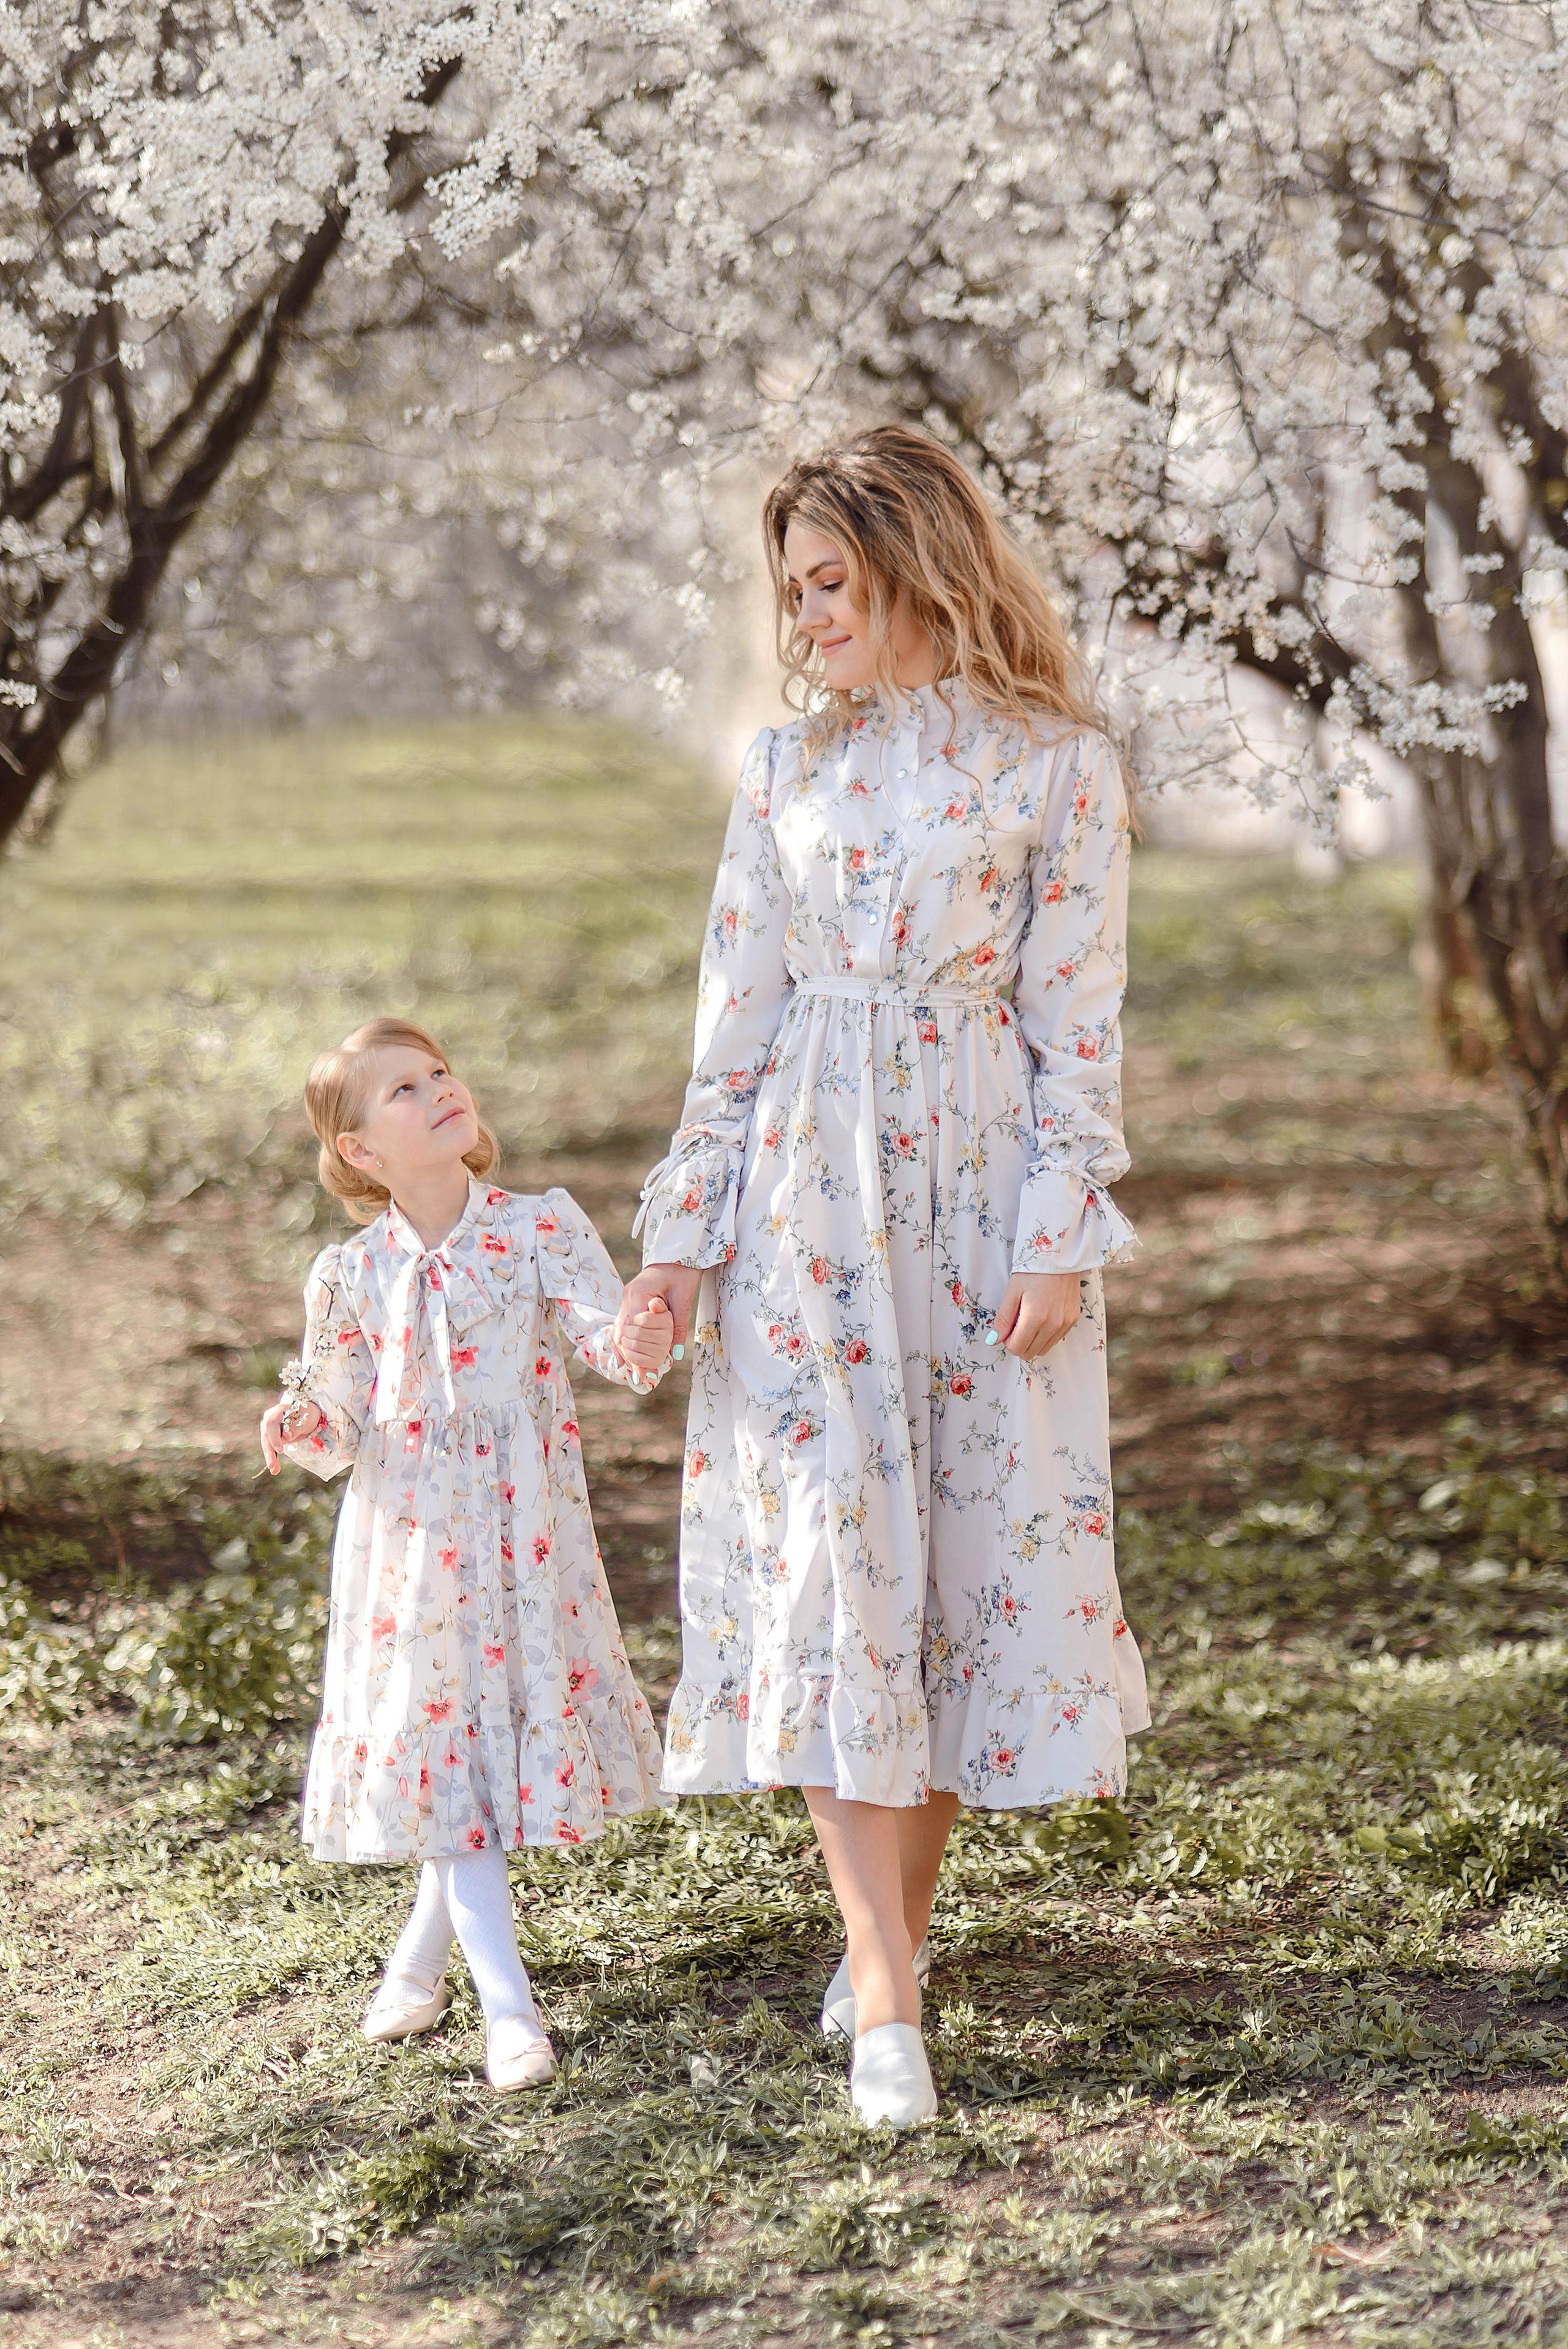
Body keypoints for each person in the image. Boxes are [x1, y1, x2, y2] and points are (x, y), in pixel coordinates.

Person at [616, 425, 1150, 2128]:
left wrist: (1059, 1224)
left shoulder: (1061, 767)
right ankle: (891, 2002)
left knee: (951, 1582)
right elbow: (737, 1023)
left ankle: (883, 1955)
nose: (809, 618)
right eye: (793, 593)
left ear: (918, 564)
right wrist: (688, 1236)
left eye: (831, 582)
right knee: (837, 1564)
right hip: (804, 1216)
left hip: (986, 1198)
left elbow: (1081, 1022)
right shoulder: (783, 773)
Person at [260, 1017, 673, 2092]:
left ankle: (418, 1957)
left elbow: (603, 1342)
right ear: (360, 1152)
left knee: (476, 1757)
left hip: (523, 1540)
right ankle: (509, 2007)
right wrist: (297, 1424)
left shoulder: (538, 1229)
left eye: (439, 1072)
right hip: (410, 1550)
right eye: (402, 1089)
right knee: (449, 1749)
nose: (438, 1090)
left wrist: (636, 1331)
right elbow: (337, 1416)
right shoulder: (352, 1272)